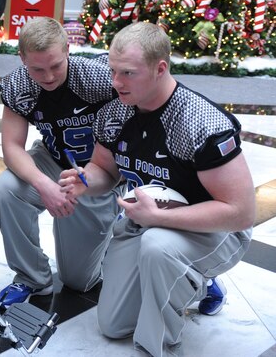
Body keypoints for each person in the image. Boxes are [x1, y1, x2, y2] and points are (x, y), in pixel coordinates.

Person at [59, 22, 255, 356]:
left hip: (215, 231)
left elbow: (241, 212)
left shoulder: (200, 123)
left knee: (157, 246)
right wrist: (87, 181)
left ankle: (158, 346)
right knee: (112, 325)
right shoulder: (116, 112)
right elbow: (105, 169)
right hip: (146, 220)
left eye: (128, 73)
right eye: (113, 71)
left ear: (160, 68)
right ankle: (192, 284)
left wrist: (160, 218)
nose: (116, 83)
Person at [0, 17, 121, 306]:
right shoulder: (18, 85)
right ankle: (31, 277)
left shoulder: (100, 78)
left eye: (55, 66)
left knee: (79, 280)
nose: (48, 76)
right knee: (7, 189)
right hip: (52, 158)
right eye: (37, 68)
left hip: (98, 172)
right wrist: (43, 184)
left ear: (68, 51)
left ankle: (117, 222)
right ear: (21, 58)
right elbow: (12, 147)